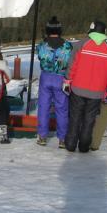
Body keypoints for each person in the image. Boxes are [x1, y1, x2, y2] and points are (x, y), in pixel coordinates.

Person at [64, 21, 107, 153]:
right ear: (104, 32)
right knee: (89, 120)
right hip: (97, 92)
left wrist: (67, 81)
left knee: (75, 118)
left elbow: (72, 65)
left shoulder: (81, 44)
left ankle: (70, 145)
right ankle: (84, 146)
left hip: (77, 88)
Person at [35, 16, 73, 148]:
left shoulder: (41, 45)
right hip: (61, 78)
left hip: (46, 77)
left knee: (43, 107)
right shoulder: (67, 46)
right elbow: (70, 60)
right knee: (62, 109)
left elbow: (39, 56)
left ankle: (42, 136)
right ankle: (62, 138)